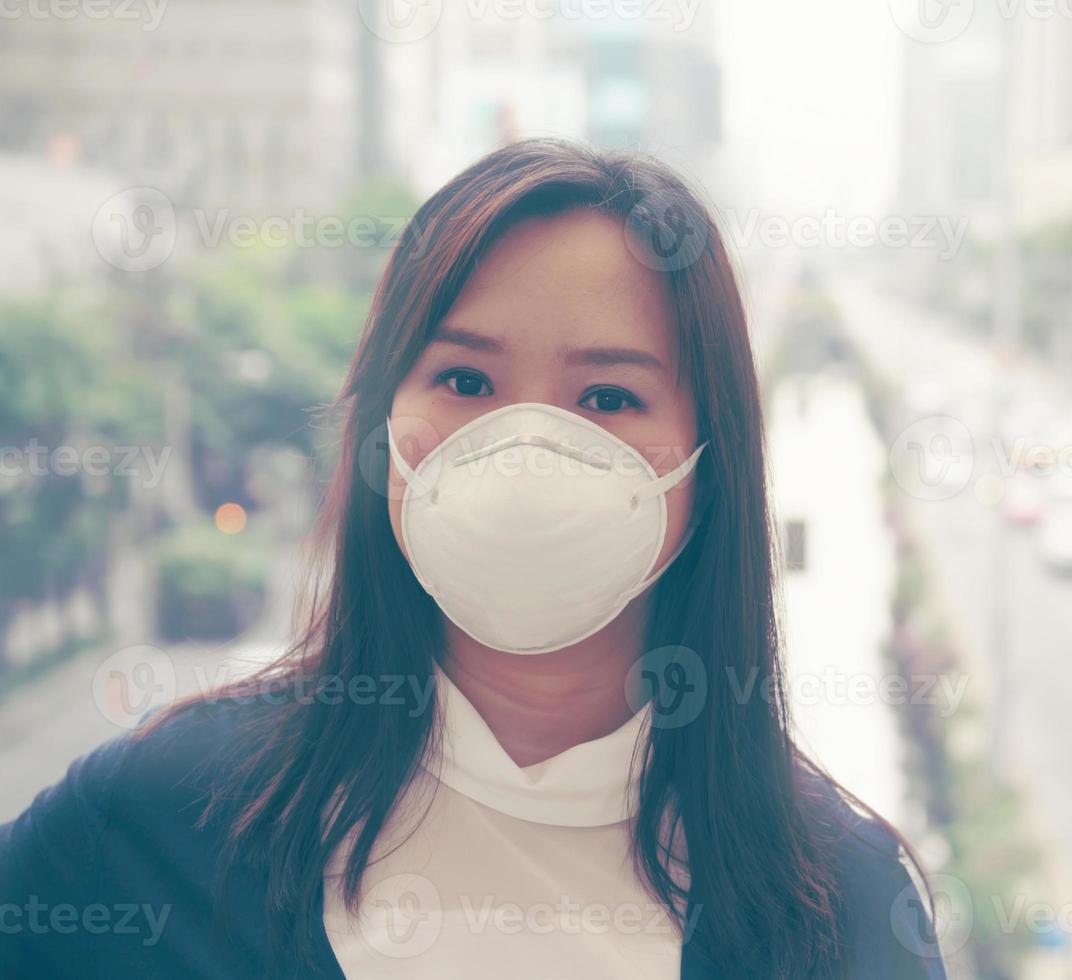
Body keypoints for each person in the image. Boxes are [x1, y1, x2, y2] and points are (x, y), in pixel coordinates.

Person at [0, 139, 946, 979]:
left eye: (609, 397)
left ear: (713, 461)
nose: (524, 446)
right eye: (465, 380)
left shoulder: (836, 911)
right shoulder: (158, 820)